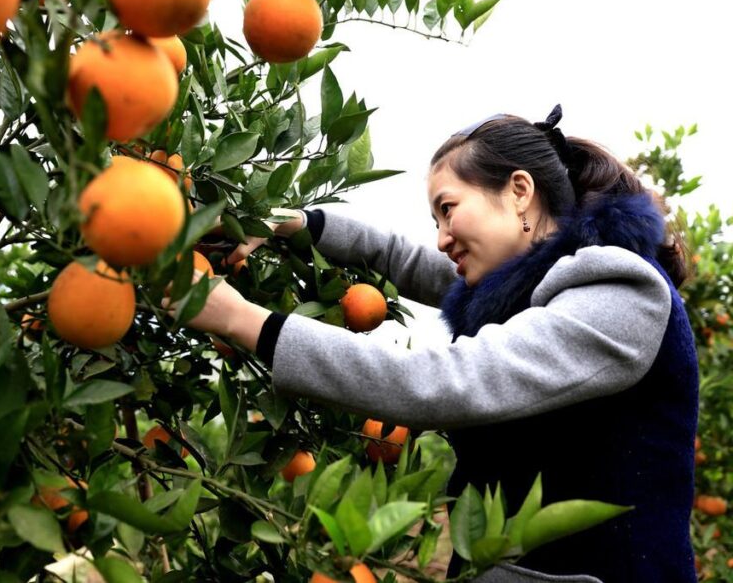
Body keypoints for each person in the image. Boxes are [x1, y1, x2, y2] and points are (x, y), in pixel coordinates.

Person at [174, 106, 698, 582]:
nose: (442, 237)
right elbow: (397, 256)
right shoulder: (527, 286)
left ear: (520, 190)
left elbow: (441, 381)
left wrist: (242, 319)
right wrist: (293, 224)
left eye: (448, 209)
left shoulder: (620, 295)